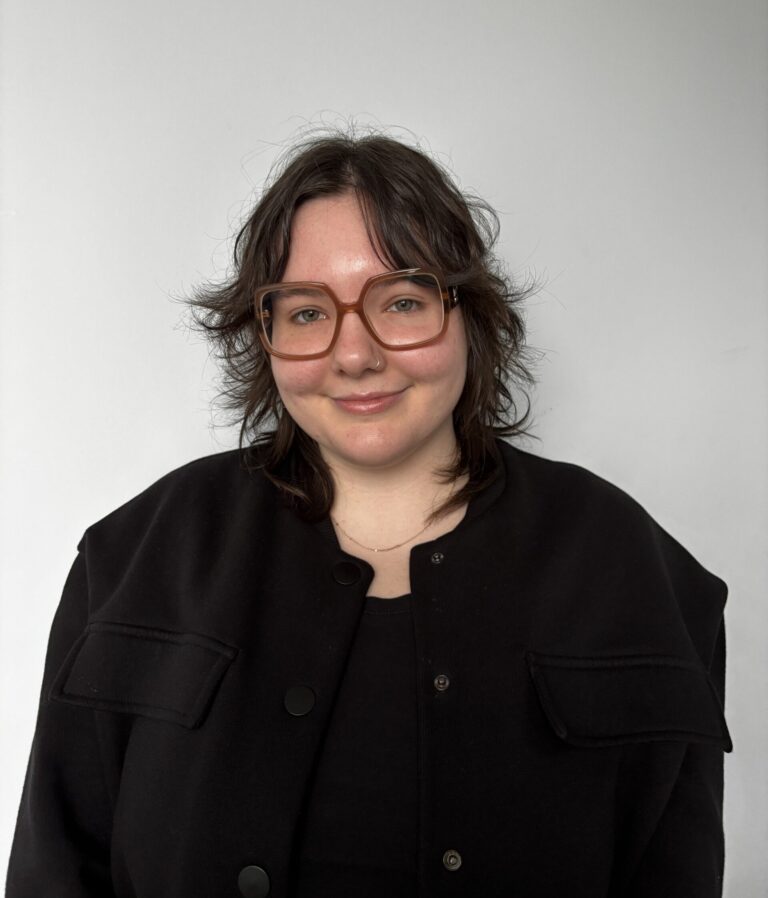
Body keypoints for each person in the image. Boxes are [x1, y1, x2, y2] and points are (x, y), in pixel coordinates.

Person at [6, 132, 732, 898]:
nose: (354, 353)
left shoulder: (631, 569)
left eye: (404, 301)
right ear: (267, 336)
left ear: (470, 316)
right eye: (309, 312)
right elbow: (54, 869)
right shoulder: (137, 556)